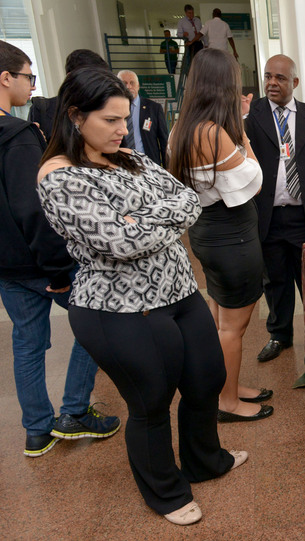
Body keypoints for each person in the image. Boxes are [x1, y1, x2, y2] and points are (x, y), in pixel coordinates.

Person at [37, 66, 246, 525]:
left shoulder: (131, 157)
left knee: (206, 379)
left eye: (124, 118)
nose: (121, 129)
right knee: (151, 402)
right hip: (119, 309)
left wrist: (138, 218)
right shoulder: (60, 176)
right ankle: (166, 493)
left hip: (180, 292)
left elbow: (188, 200)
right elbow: (120, 242)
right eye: (110, 120)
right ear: (75, 116)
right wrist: (151, 220)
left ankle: (204, 461)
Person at [0, 41, 120, 458]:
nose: (32, 86)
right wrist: (56, 271)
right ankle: (74, 410)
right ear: (5, 78)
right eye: (27, 77)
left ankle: (36, 431)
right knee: (97, 323)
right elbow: (31, 209)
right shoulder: (17, 136)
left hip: (6, 266)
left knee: (27, 344)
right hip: (40, 261)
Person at [169, 48, 271, 422]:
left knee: (219, 320)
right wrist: (243, 135)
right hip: (231, 239)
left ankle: (228, 386)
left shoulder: (183, 127)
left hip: (207, 233)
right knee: (232, 328)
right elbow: (253, 179)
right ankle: (227, 403)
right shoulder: (212, 133)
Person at [244, 54, 305, 382]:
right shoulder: (251, 116)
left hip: (304, 217)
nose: (272, 82)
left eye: (280, 78)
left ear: (294, 82)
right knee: (275, 281)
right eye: (268, 76)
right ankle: (279, 335)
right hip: (267, 216)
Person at [28, 48, 108, 140]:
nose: (98, 84)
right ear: (70, 77)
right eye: (91, 78)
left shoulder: (105, 107)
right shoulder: (43, 109)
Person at [118, 70, 169, 167]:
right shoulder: (112, 109)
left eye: (132, 83)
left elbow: (164, 140)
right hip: (122, 163)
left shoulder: (154, 108)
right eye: (124, 83)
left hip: (149, 163)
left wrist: (168, 166)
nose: (128, 87)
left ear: (138, 86)